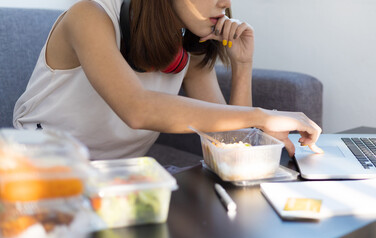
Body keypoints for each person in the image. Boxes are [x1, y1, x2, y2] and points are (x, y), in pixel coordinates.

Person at [13, 0, 323, 160]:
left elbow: (229, 145)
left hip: (118, 179)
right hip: (39, 168)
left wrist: (242, 65)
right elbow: (138, 110)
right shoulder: (88, 16)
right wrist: (263, 116)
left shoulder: (190, 45)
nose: (226, 2)